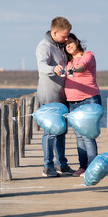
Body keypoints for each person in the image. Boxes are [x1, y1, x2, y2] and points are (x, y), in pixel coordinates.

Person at [36, 17, 75, 177]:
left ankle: (61, 164)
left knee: (62, 131)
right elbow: (42, 66)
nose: (67, 39)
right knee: (51, 131)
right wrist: (54, 69)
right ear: (54, 32)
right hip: (49, 95)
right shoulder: (44, 46)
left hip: (62, 95)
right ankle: (48, 167)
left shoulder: (61, 46)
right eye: (64, 36)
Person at [64, 33, 102, 177]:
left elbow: (82, 66)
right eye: (66, 45)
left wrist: (75, 69)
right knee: (79, 136)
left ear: (76, 41)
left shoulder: (88, 55)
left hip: (89, 99)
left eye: (70, 42)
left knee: (88, 135)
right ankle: (83, 167)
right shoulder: (68, 62)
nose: (68, 46)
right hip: (73, 103)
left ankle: (92, 168)